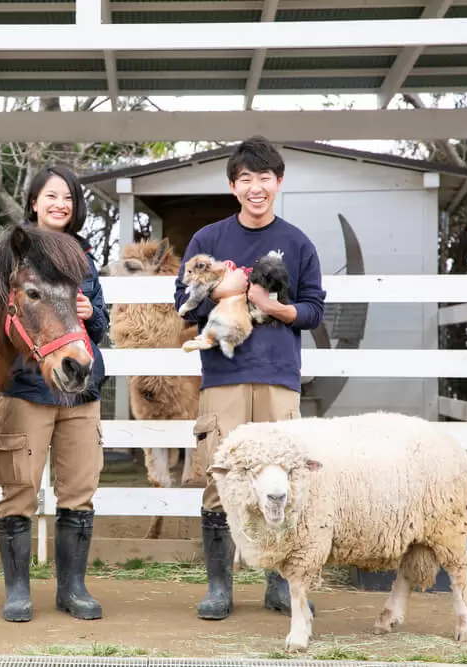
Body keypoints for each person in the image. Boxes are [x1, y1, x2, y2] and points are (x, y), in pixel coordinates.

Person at [173, 136, 326, 620]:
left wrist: (279, 308)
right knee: (222, 479)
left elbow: (314, 309)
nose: (255, 187)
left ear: (278, 183)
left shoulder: (298, 243)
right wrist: (226, 287)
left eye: (264, 178)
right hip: (224, 374)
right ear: (233, 186)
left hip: (279, 376)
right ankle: (220, 586)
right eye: (245, 179)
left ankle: (280, 584)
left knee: (284, 481)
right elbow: (182, 296)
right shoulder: (209, 240)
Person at [0, 164, 109, 623]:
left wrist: (89, 311)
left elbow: (101, 326)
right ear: (34, 201)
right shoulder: (9, 255)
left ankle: (72, 588)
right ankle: (18, 590)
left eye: (69, 198)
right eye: (51, 196)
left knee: (78, 489)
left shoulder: (82, 255)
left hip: (81, 389)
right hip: (26, 387)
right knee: (18, 487)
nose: (60, 204)